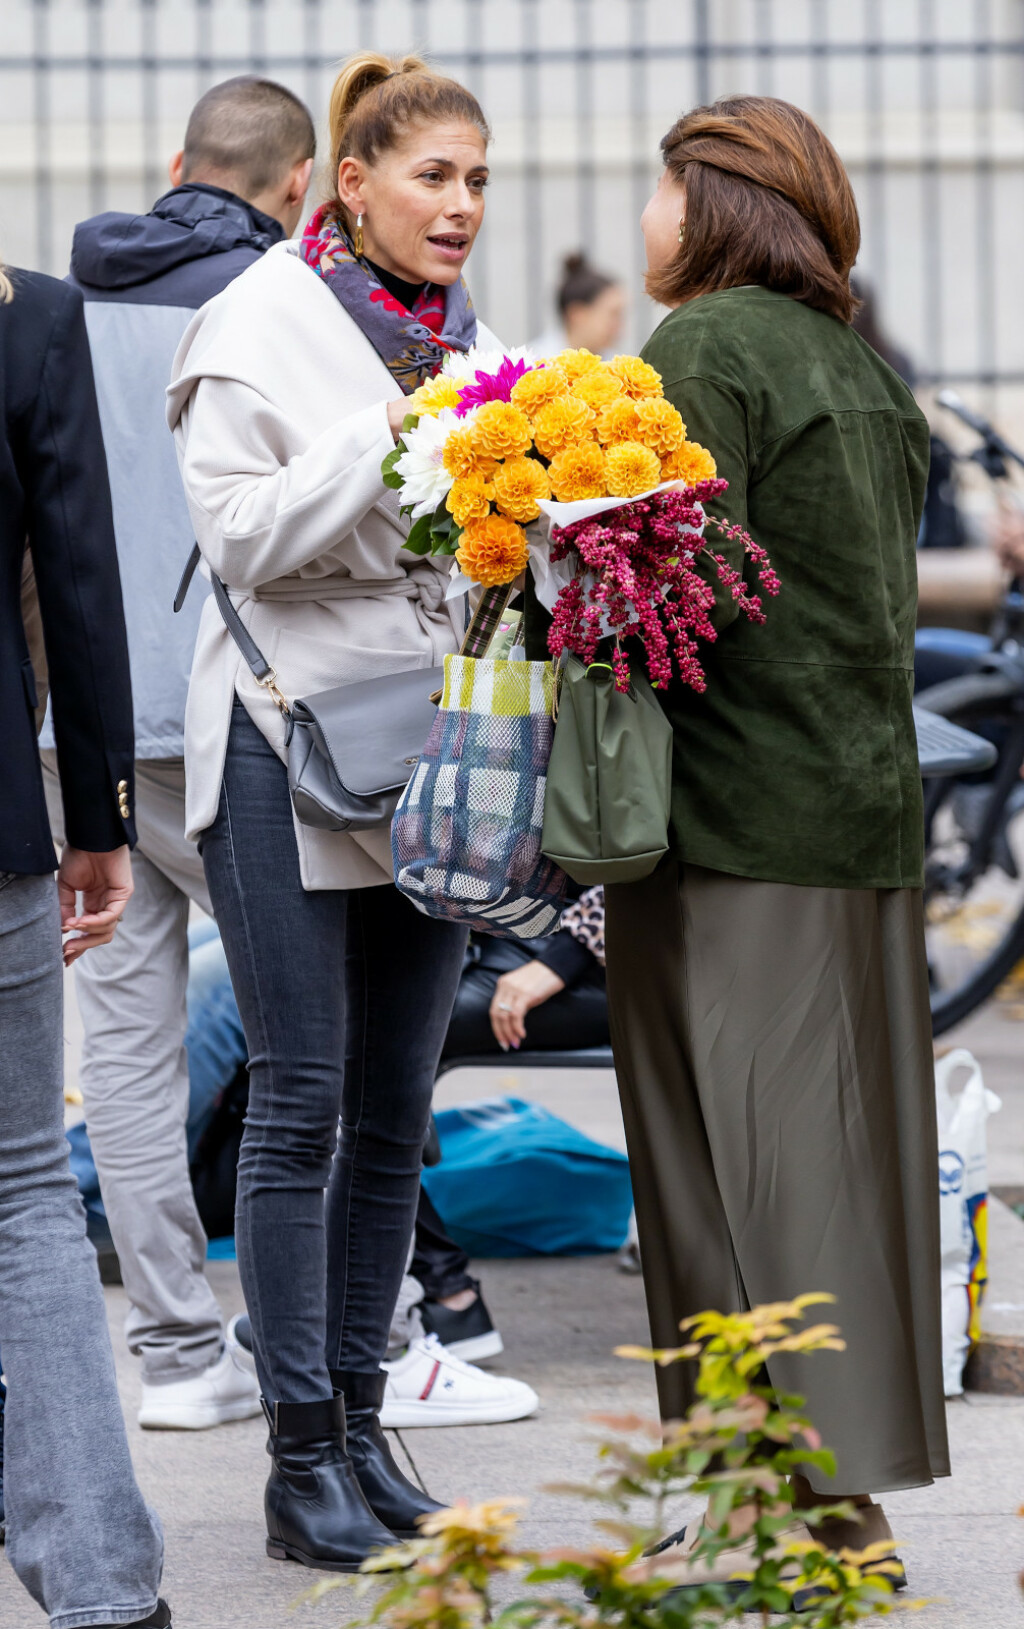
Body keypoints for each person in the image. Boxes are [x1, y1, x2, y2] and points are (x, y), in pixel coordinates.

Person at [598, 95, 948, 1587]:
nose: (643, 217)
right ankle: (824, 1497)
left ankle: (796, 1506)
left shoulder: (706, 349)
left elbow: (683, 592)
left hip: (737, 820)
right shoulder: (857, 368)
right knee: (839, 1165)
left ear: (715, 203)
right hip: (860, 816)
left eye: (659, 189)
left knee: (726, 1170)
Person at [167, 52, 509, 1573]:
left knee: (396, 1110)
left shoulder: (475, 341)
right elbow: (237, 537)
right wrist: (401, 431)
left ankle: (364, 1426)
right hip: (279, 733)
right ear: (346, 184)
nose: (462, 207)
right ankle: (298, 1453)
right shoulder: (255, 321)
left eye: (481, 179)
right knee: (301, 1094)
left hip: (428, 743)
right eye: (434, 177)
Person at [38, 74, 315, 1432]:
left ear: (174, 165)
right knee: (302, 1034)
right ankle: (311, 1329)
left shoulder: (69, 306)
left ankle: (173, 1355)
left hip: (86, 730)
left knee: (130, 1047)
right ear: (300, 189)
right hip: (241, 722)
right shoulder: (283, 311)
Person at [0, 259, 169, 1625]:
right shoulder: (31, 315)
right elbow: (79, 565)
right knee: (21, 1200)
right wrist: (98, 807)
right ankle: (102, 1588)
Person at [530, 250, 626, 360]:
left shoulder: (614, 365)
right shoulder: (535, 364)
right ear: (577, 314)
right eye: (613, 314)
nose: (620, 327)